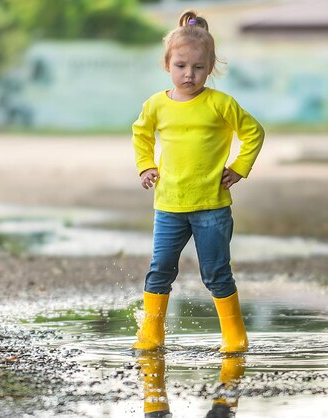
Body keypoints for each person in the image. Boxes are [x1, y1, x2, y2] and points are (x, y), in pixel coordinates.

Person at [131, 10, 264, 353]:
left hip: (212, 207)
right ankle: (151, 333)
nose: (189, 74)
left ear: (210, 66)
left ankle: (234, 336)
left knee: (216, 273)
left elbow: (253, 133)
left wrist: (240, 167)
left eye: (198, 67)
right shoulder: (156, 105)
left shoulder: (220, 104)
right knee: (159, 270)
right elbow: (141, 134)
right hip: (169, 205)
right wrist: (145, 165)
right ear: (167, 64)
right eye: (180, 66)